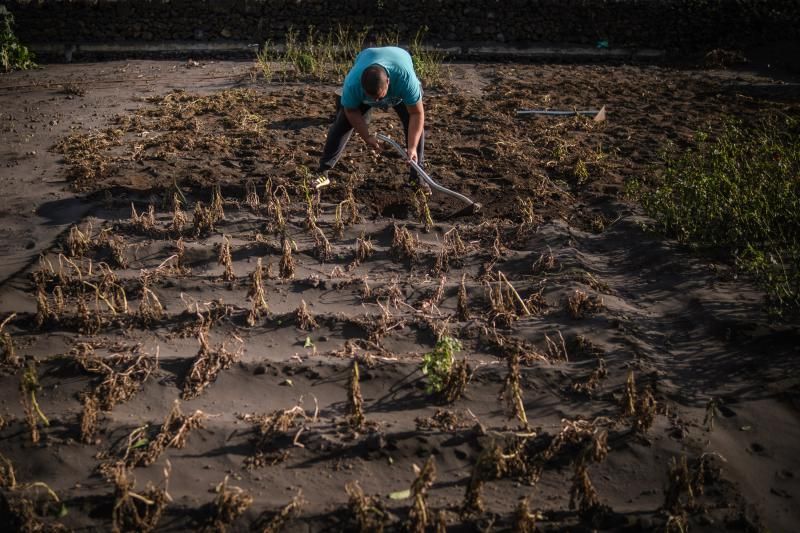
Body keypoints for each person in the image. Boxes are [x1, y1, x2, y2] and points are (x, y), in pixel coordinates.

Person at [315, 46, 427, 191]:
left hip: (399, 67)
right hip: (366, 57)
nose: (377, 101)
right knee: (341, 124)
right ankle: (323, 171)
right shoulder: (352, 84)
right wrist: (366, 136)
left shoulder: (405, 79)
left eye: (379, 97)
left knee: (415, 129)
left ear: (388, 82)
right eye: (371, 97)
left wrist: (411, 147)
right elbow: (351, 110)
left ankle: (417, 178)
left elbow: (417, 114)